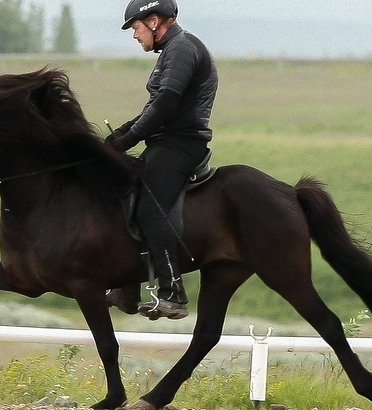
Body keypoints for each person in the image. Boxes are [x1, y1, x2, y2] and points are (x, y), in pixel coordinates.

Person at [106, 0, 218, 320]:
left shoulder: (182, 49)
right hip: (165, 143)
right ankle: (126, 288)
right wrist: (117, 138)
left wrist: (128, 139)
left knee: (151, 210)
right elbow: (153, 108)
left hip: (180, 147)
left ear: (154, 22)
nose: (134, 35)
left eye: (136, 28)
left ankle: (173, 294)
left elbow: (166, 103)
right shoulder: (172, 50)